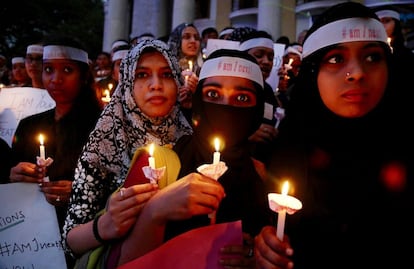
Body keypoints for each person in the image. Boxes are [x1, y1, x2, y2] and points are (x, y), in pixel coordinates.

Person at [254, 2, 414, 269]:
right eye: (336, 59)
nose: (358, 73)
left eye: (372, 57)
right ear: (313, 72)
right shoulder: (286, 157)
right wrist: (265, 249)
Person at [114, 49, 272, 268]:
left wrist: (258, 256)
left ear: (257, 110)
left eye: (242, 97)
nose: (225, 107)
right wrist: (154, 213)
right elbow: (121, 262)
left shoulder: (264, 177)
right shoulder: (156, 166)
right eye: (213, 95)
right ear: (198, 100)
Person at [62, 39, 193, 264]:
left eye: (166, 74)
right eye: (142, 75)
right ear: (127, 84)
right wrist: (105, 225)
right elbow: (69, 242)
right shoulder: (104, 144)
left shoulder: (190, 140)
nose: (156, 85)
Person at [9, 35, 102, 267]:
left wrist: (81, 192)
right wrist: (14, 174)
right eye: (48, 69)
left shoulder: (102, 126)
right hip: (30, 237)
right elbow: (9, 179)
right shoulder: (29, 125)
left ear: (83, 76)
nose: (55, 79)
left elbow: (116, 185)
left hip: (81, 238)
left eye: (67, 70)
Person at [229, 27, 280, 166]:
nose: (266, 62)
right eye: (259, 55)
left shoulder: (268, 90)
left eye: (271, 57)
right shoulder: (228, 87)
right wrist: (247, 134)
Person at [167, 22, 202, 121]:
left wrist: (198, 93)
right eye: (187, 37)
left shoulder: (205, 70)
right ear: (177, 40)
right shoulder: (167, 69)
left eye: (196, 37)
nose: (193, 41)